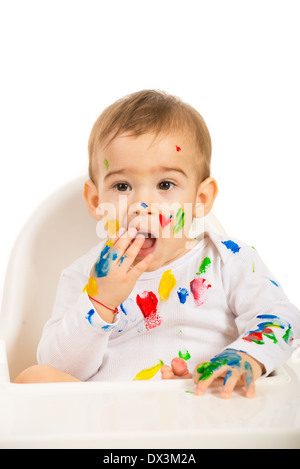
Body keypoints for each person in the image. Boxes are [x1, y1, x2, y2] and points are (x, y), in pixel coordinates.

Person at [15, 90, 300, 399]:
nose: (142, 204)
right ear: (97, 201)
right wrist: (101, 302)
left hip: (200, 404)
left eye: (166, 185)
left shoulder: (227, 259)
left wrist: (245, 358)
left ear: (200, 199)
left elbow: (281, 319)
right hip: (108, 416)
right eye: (122, 186)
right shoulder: (86, 275)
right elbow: (59, 367)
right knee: (34, 377)